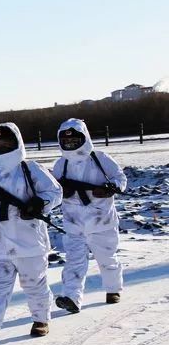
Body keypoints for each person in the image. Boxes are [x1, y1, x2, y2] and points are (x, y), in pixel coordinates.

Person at [0, 123, 62, 342]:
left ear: (17, 143)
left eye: (6, 143)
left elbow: (54, 191)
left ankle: (41, 319)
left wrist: (39, 203)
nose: (1, 147)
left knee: (34, 282)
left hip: (28, 240)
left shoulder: (30, 169)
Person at [52, 118, 127, 313]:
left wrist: (112, 188)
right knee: (74, 261)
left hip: (101, 220)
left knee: (107, 258)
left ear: (84, 138)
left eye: (74, 140)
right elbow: (54, 188)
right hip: (73, 222)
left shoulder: (101, 159)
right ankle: (71, 297)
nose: (70, 145)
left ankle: (113, 289)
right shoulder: (61, 164)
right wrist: (63, 192)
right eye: (66, 142)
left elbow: (120, 178)